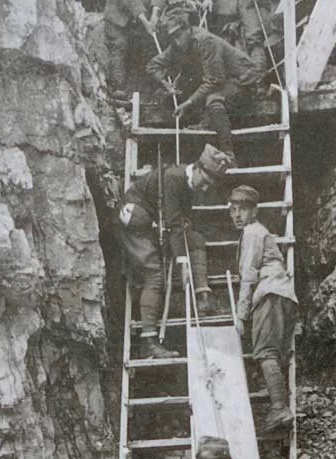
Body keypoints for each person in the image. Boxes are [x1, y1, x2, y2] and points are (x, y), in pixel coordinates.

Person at [119, 143, 234, 358]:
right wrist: (183, 263)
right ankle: (148, 341)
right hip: (135, 221)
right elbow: (173, 225)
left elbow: (181, 222)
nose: (206, 188)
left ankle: (203, 297)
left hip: (155, 221)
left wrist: (184, 234)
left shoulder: (190, 185)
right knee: (154, 274)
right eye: (206, 181)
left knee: (196, 239)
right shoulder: (174, 178)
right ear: (199, 168)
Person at [146, 12, 264, 160]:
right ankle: (206, 122)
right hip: (224, 82)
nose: (176, 42)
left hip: (243, 80)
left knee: (214, 99)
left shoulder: (206, 41)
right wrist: (166, 85)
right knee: (196, 93)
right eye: (172, 38)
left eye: (178, 35)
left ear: (188, 29)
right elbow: (152, 66)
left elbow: (215, 80)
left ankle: (228, 153)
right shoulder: (177, 46)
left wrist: (188, 103)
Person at [230, 184, 296, 431]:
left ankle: (279, 408)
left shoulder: (253, 233)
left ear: (254, 211)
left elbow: (249, 274)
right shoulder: (255, 232)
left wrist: (241, 315)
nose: (237, 214)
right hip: (280, 294)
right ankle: (279, 407)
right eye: (233, 209)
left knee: (265, 352)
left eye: (243, 209)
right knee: (270, 353)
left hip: (269, 293)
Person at [104, 0, 164, 103]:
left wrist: (155, 15)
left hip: (137, 20)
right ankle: (118, 88)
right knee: (119, 46)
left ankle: (145, 90)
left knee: (144, 48)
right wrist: (146, 22)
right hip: (118, 17)